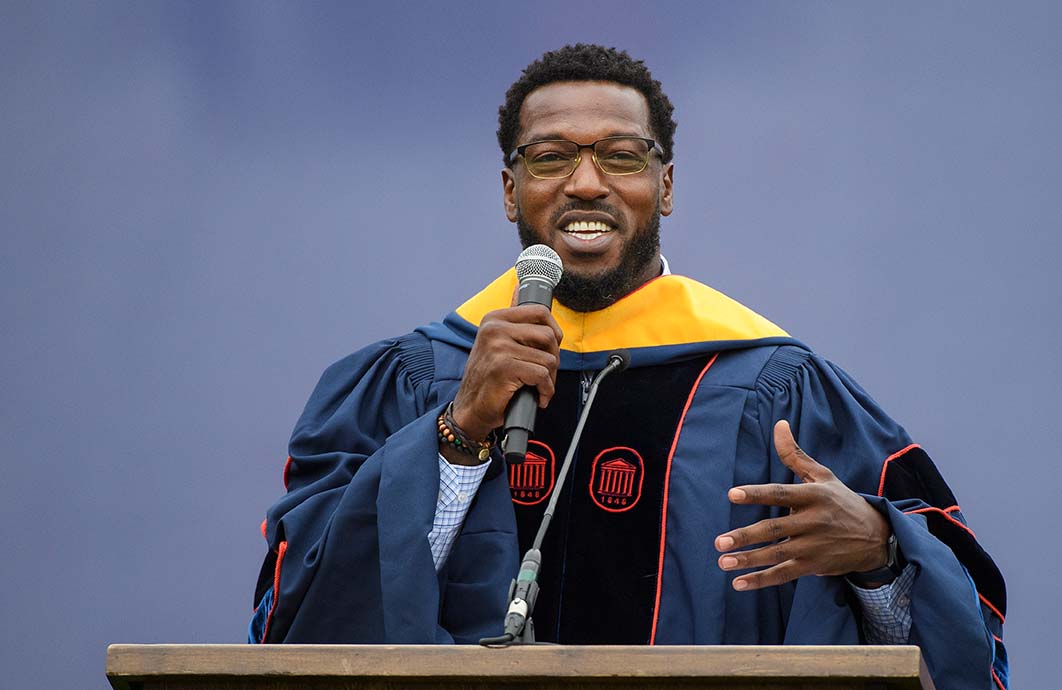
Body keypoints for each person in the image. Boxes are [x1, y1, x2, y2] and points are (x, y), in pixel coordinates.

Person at [249, 44, 1009, 690]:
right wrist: (454, 438)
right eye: (550, 158)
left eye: (621, 155)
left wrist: (878, 557)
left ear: (664, 187)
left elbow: (961, 638)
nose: (586, 183)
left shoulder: (780, 392)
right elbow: (298, 622)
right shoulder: (413, 385)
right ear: (512, 189)